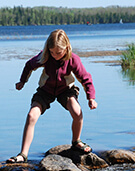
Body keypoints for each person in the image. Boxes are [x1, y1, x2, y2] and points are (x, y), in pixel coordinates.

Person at [6, 29, 97, 163]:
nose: (55, 55)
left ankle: (76, 141)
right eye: (52, 52)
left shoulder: (73, 59)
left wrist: (91, 97)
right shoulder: (45, 56)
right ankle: (23, 154)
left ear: (66, 48)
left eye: (58, 53)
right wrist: (22, 81)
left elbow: (85, 78)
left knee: (77, 112)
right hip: (45, 91)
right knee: (31, 115)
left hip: (66, 90)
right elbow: (29, 65)